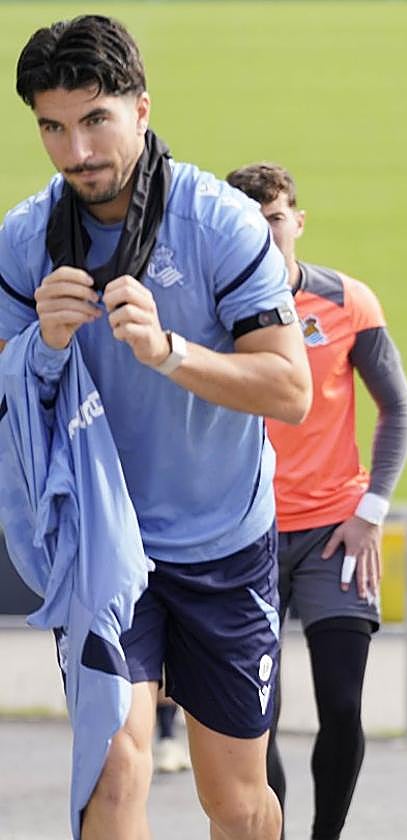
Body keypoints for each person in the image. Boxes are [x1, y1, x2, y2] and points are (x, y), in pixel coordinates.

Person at [0, 15, 311, 840]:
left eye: (96, 118)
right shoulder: (25, 240)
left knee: (237, 803)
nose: (76, 151)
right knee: (113, 773)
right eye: (53, 128)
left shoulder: (220, 224)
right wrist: (40, 348)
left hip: (222, 543)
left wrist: (171, 352)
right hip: (102, 546)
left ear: (141, 109)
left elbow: (290, 388)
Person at [227, 163, 407, 839]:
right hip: (240, 535)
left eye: (275, 219)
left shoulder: (348, 302)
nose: (264, 233)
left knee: (341, 704)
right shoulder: (211, 307)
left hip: (334, 535)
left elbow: (397, 408)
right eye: (248, 222)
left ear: (297, 222)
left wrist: (372, 510)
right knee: (256, 716)